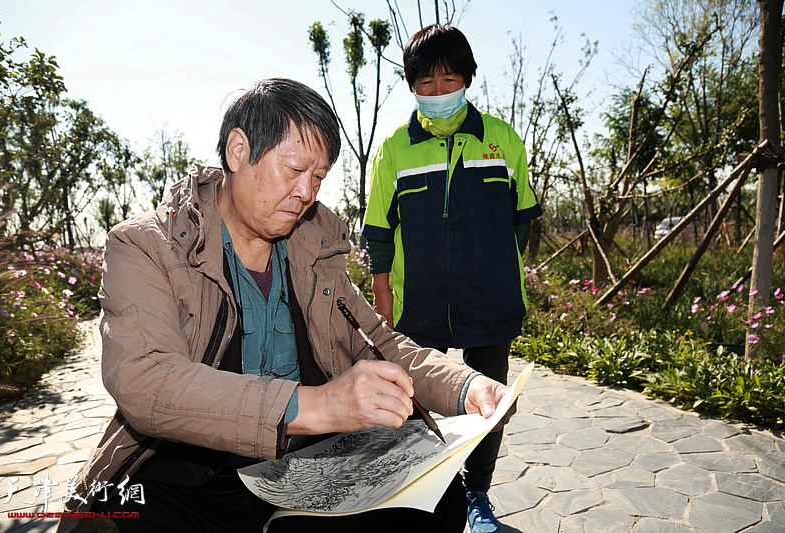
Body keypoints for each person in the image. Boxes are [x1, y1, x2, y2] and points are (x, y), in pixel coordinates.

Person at [58, 78, 514, 533]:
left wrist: (466, 385)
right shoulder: (146, 246)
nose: (307, 193)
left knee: (438, 501)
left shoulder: (314, 248)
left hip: (309, 465)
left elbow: (377, 344)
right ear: (238, 151)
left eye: (318, 177)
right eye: (294, 170)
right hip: (189, 475)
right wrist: (317, 406)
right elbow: (147, 381)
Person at [362, 25, 542, 533]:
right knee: (416, 398)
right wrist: (383, 296)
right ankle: (428, 487)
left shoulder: (501, 139)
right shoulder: (396, 149)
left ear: (467, 79)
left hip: (489, 299)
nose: (439, 92)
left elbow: (521, 216)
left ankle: (477, 496)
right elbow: (379, 229)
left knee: (490, 400)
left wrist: (496, 268)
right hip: (419, 301)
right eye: (426, 82)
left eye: (449, 78)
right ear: (411, 85)